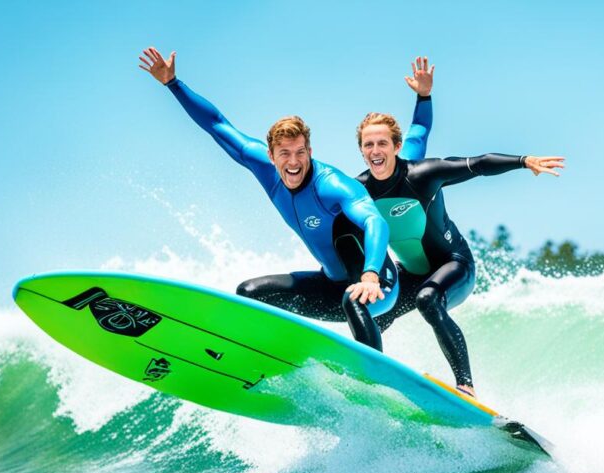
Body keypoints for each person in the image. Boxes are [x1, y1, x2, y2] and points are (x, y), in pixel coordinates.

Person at [139, 47, 413, 351]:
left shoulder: (332, 185)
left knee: (355, 297)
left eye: (300, 152)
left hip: (377, 287)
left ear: (310, 152)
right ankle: (261, 358)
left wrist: (371, 275)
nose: (293, 162)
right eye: (284, 154)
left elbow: (375, 221)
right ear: (271, 156)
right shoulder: (265, 168)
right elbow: (217, 125)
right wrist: (173, 83)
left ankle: (375, 383)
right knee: (249, 292)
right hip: (332, 289)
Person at [355, 69, 565, 396]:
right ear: (362, 150)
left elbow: (478, 163)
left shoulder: (423, 174)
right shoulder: (358, 191)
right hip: (411, 272)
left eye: (382, 142)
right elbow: (420, 128)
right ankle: (367, 377)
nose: (376, 149)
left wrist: (525, 161)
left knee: (428, 299)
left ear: (396, 146)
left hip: (455, 265)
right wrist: (423, 96)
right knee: (372, 310)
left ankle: (465, 386)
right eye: (368, 144)